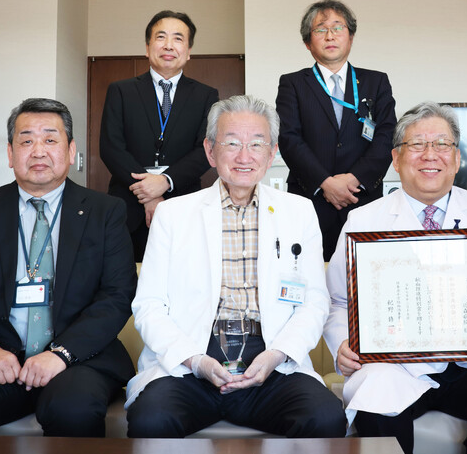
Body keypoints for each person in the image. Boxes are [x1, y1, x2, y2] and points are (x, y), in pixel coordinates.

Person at [324, 101, 467, 453]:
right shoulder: (364, 220)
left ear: (457, 158)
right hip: (396, 366)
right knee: (375, 398)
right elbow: (338, 300)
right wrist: (343, 343)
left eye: (442, 144)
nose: (430, 154)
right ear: (396, 158)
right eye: (417, 144)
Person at [125, 95, 347, 438]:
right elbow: (149, 305)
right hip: (193, 360)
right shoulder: (173, 214)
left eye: (257, 144)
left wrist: (277, 355)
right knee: (150, 420)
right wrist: (195, 360)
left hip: (271, 361)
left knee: (325, 418)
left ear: (272, 154)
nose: (245, 156)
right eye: (231, 143)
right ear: (210, 151)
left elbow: (315, 301)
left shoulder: (299, 211)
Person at [0, 98, 137, 436]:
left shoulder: (105, 211)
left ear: (70, 151)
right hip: (0, 357)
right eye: (26, 141)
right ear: (10, 154)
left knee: (73, 409)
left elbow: (117, 296)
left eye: (50, 139)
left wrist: (61, 354)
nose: (38, 151)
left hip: (77, 360)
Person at [276, 0, 397, 261]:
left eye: (338, 27)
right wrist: (326, 183)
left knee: (366, 269)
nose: (330, 35)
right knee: (307, 270)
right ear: (308, 42)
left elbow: (387, 136)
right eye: (320, 29)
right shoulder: (292, 84)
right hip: (310, 199)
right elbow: (288, 138)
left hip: (362, 198)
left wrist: (353, 179)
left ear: (350, 37)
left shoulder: (376, 82)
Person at [100, 9, 219, 262]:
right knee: (125, 276)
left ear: (188, 51)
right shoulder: (121, 91)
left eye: (178, 38)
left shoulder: (206, 95)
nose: (168, 45)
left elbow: (205, 150)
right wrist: (148, 192)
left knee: (183, 274)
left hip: (183, 203)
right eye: (161, 37)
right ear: (147, 47)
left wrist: (165, 181)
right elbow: (111, 147)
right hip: (128, 208)